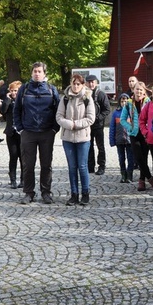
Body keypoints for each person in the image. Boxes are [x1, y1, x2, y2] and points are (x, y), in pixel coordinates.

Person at [13, 62, 61, 205]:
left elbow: (58, 110)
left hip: (47, 132)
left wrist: (54, 129)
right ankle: (29, 193)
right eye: (35, 71)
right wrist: (20, 128)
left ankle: (46, 192)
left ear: (44, 73)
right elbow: (17, 110)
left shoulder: (51, 89)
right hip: (28, 132)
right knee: (28, 165)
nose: (37, 73)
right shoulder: (24, 89)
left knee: (46, 165)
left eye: (39, 71)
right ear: (31, 73)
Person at [56, 74, 96, 206]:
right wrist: (69, 125)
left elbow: (90, 118)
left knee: (83, 166)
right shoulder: (65, 98)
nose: (76, 86)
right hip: (67, 138)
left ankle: (85, 193)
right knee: (72, 167)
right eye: (74, 83)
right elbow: (59, 116)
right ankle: (74, 194)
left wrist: (76, 124)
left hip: (83, 138)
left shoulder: (87, 98)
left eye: (79, 84)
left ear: (83, 85)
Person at [122, 82, 153, 192]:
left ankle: (142, 180)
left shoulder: (149, 102)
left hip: (145, 133)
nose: (139, 92)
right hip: (134, 133)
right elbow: (122, 119)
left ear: (144, 91)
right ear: (133, 90)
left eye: (141, 90)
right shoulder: (129, 103)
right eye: (137, 89)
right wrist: (130, 127)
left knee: (144, 157)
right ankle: (150, 178)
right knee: (138, 157)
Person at [85, 75, 111, 175]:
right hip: (87, 125)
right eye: (89, 82)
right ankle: (90, 166)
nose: (91, 84)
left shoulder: (101, 94)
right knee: (88, 146)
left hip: (98, 125)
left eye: (93, 82)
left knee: (100, 146)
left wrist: (98, 118)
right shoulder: (84, 94)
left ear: (96, 83)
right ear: (86, 83)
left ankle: (101, 166)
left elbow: (107, 109)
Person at [2, 81, 22, 189]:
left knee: (23, 157)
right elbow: (3, 111)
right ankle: (13, 179)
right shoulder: (8, 101)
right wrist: (7, 99)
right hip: (11, 133)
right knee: (13, 156)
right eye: (12, 90)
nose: (13, 93)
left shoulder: (22, 101)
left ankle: (23, 180)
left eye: (15, 91)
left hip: (22, 133)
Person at [109, 93, 134, 183]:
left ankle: (129, 175)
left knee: (131, 158)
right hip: (119, 139)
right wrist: (112, 140)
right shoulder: (116, 113)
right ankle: (123, 174)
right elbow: (112, 127)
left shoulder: (131, 112)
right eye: (122, 101)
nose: (124, 103)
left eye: (126, 101)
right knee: (121, 158)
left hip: (129, 140)